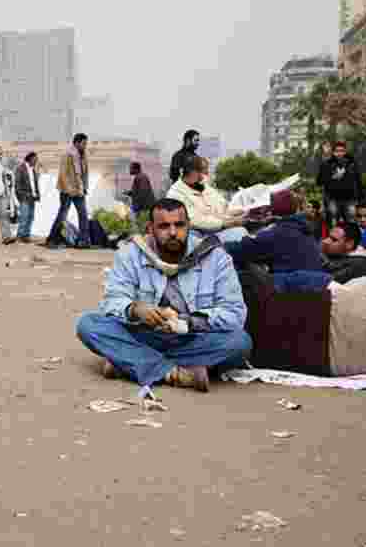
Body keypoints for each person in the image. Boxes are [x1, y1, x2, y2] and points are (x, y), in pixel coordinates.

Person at [76, 198, 251, 395]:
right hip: (144, 335)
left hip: (193, 338)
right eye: (164, 226)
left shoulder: (216, 257)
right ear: (151, 228)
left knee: (240, 342)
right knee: (87, 324)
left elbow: (235, 314)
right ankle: (174, 373)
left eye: (179, 225)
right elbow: (111, 302)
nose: (173, 232)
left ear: (189, 226)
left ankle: (130, 362)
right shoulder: (130, 254)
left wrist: (188, 322)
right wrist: (135, 309)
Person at [223, 190, 330, 293]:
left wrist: (220, 244)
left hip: (290, 295)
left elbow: (239, 250)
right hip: (316, 292)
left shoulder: (276, 234)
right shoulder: (304, 228)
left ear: (271, 210)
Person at [166, 155, 248, 244]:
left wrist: (243, 211)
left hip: (216, 231)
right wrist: (227, 223)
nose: (207, 174)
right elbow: (196, 221)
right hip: (198, 237)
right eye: (204, 171)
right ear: (192, 172)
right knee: (240, 233)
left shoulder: (203, 186)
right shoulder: (175, 194)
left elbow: (223, 208)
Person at [44, 133, 91, 250]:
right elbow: (63, 174)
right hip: (67, 190)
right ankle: (52, 239)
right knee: (63, 215)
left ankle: (83, 240)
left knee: (83, 214)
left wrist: (85, 187)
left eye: (86, 143)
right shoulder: (67, 154)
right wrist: (69, 189)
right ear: (76, 143)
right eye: (83, 143)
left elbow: (85, 173)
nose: (85, 146)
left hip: (79, 190)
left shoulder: (84, 155)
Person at [317, 141, 364, 228]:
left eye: (342, 151)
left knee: (351, 222)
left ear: (345, 151)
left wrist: (361, 198)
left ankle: (352, 239)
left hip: (349, 198)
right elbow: (319, 182)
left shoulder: (352, 163)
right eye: (337, 151)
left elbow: (358, 181)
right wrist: (333, 177)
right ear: (333, 152)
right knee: (333, 221)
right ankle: (334, 239)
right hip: (333, 198)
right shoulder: (327, 164)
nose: (339, 153)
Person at [14, 152, 41, 244]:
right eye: (35, 159)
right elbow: (17, 184)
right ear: (30, 159)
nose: (36, 161)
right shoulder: (20, 168)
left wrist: (37, 194)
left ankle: (26, 236)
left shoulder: (32, 169)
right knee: (24, 217)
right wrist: (21, 196)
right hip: (24, 197)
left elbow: (34, 183)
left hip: (32, 197)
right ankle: (19, 236)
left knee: (30, 217)